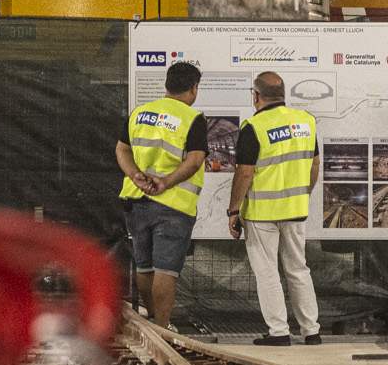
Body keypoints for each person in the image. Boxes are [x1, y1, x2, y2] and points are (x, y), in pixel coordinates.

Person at [229, 70, 322, 346]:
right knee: (298, 269)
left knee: (267, 271)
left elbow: (245, 173)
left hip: (262, 214)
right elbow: (314, 165)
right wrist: (303, 193)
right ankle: (311, 331)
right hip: (295, 210)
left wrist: (233, 210)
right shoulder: (306, 121)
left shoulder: (254, 127)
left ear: (256, 96)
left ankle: (279, 332)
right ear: (283, 95)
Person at [117, 61, 208, 326]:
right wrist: (166, 182)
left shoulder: (140, 112)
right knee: (166, 269)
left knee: (144, 266)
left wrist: (135, 174)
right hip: (172, 205)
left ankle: (154, 320)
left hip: (136, 200)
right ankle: (163, 328)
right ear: (193, 88)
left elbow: (121, 149)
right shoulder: (192, 118)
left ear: (167, 84)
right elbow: (195, 159)